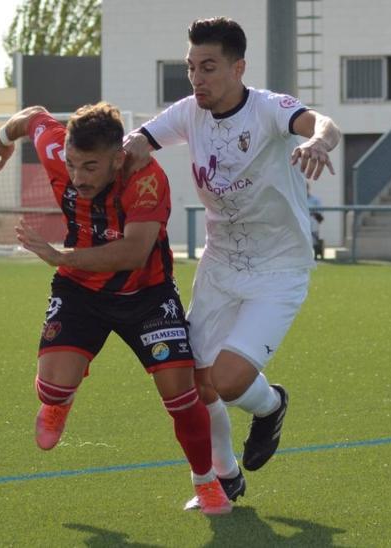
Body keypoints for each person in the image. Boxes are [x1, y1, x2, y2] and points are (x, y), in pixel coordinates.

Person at [123, 17, 341, 508]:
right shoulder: (188, 112)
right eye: (191, 67)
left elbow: (322, 123)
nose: (197, 78)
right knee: (196, 382)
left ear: (238, 67)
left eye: (209, 67)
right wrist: (129, 148)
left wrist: (317, 142)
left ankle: (271, 405)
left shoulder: (268, 110)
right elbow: (141, 138)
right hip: (220, 267)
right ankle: (226, 477)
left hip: (278, 270)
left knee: (226, 380)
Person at [0, 103, 233, 515]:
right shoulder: (57, 149)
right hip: (81, 292)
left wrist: (62, 258)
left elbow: (133, 253)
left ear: (118, 159)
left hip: (146, 294)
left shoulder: (146, 179)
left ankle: (207, 484)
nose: (77, 178)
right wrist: (6, 139)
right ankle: (59, 401)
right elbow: (32, 117)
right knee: (52, 386)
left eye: (91, 168)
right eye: (73, 165)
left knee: (181, 396)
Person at [307, 183, 325, 260]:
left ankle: (317, 255)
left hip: (312, 220)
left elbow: (319, 212)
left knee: (314, 238)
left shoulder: (315, 199)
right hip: (300, 221)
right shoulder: (297, 199)